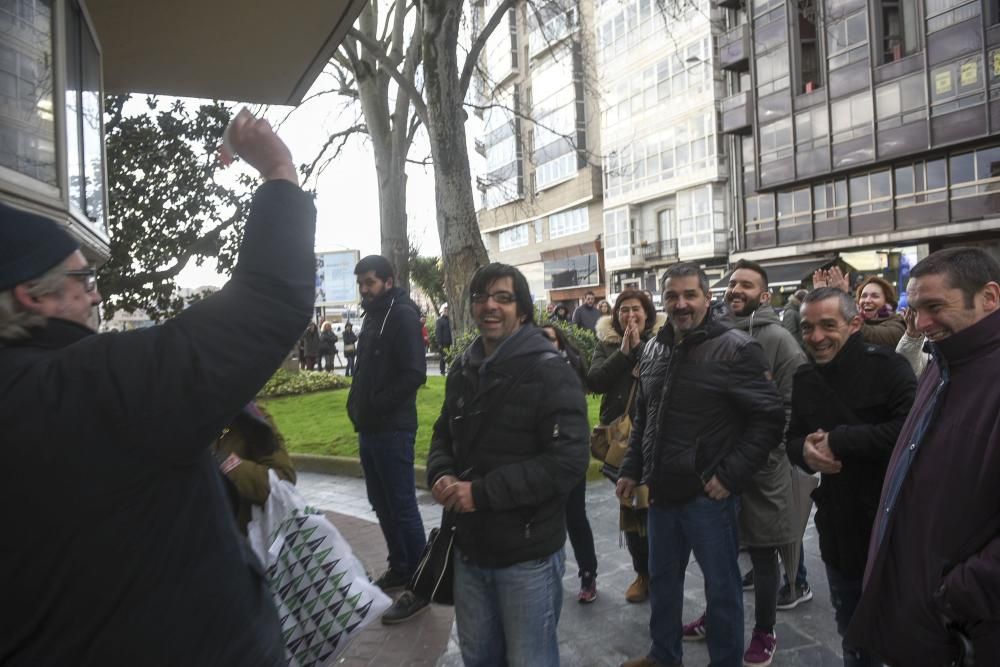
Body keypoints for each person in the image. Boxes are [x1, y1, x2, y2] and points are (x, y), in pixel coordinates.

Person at [0, 110, 313, 664]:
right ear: (30, 294)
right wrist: (278, 171)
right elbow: (266, 303)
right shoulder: (87, 385)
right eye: (82, 279)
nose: (96, 296)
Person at [617, 263, 785, 667]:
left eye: (690, 295)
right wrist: (630, 467)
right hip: (661, 492)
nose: (681, 304)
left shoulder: (736, 348)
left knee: (722, 588)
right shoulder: (655, 347)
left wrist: (730, 475)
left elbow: (769, 417)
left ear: (707, 299)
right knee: (664, 583)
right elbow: (645, 415)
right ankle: (663, 654)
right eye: (672, 296)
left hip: (708, 498)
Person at [427, 263, 589, 666]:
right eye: (481, 297)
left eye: (503, 297)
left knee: (529, 659)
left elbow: (568, 462)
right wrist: (440, 472)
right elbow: (443, 434)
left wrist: (479, 493)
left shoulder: (551, 371)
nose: (490, 306)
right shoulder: (463, 369)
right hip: (470, 548)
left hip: (527, 556)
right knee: (479, 657)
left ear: (522, 309)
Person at [847, 248, 1000, 666]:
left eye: (935, 307)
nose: (922, 324)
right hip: (911, 610)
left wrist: (955, 595)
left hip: (960, 627)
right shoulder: (941, 362)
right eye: (914, 309)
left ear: (989, 297)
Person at [683, 260, 809, 666]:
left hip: (762, 468)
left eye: (747, 285)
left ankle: (765, 631)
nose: (736, 290)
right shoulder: (712, 334)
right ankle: (717, 617)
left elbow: (792, 407)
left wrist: (761, 453)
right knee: (718, 553)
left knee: (762, 554)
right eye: (733, 283)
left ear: (765, 295)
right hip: (717, 468)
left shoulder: (779, 341)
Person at [786, 287, 916, 667]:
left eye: (828, 325)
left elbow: (909, 432)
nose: (816, 337)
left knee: (902, 633)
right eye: (808, 327)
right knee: (853, 632)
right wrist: (804, 453)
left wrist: (839, 440)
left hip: (893, 524)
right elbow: (793, 437)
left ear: (855, 323)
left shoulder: (890, 368)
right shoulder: (804, 377)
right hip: (839, 527)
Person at [346, 255, 429, 623]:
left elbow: (414, 373)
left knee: (402, 505)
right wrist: (357, 405)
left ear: (389, 281)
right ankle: (399, 566)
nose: (364, 289)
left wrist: (377, 405)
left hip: (393, 429)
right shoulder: (374, 315)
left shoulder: (402, 315)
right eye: (361, 283)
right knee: (380, 502)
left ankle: (422, 584)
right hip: (370, 428)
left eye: (370, 283)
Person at [587, 288, 665, 604]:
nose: (630, 315)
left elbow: (667, 375)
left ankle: (659, 572)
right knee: (630, 506)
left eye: (636, 309)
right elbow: (595, 382)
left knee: (653, 510)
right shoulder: (606, 344)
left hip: (655, 438)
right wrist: (622, 354)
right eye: (623, 310)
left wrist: (641, 351)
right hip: (619, 440)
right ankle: (642, 573)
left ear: (647, 314)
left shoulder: (662, 342)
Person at [541, 323, 598, 603]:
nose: (543, 343)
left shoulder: (568, 372)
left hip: (568, 456)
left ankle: (588, 573)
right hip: (539, 459)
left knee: (575, 517)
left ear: (560, 344)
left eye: (549, 339)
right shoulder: (526, 369)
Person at [214, 402, 297, 533]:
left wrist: (225, 463)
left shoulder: (251, 416)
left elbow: (283, 481)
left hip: (244, 537)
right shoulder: (177, 421)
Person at [855, 276, 906, 349]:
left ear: (887, 301)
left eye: (875, 296)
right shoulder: (857, 319)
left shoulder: (898, 325)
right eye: (864, 296)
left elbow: (871, 334)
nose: (867, 300)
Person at [435, 303, 452, 375]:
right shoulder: (439, 321)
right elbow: (438, 333)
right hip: (443, 342)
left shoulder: (450, 320)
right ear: (442, 311)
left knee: (449, 357)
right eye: (445, 310)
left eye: (447, 310)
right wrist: (439, 343)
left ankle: (449, 369)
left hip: (450, 341)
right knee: (443, 357)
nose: (446, 312)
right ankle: (442, 371)